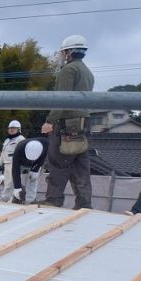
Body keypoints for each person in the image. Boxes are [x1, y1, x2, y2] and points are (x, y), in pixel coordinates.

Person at [42, 34, 95, 209]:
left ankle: (53, 200)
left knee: (58, 161)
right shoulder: (87, 72)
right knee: (81, 164)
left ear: (68, 52)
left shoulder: (69, 70)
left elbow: (62, 98)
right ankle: (84, 204)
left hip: (67, 122)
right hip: (84, 122)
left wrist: (50, 120)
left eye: (63, 52)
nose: (62, 55)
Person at [0, 119, 26, 201]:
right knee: (7, 182)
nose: (11, 130)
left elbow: (23, 153)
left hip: (15, 165)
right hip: (7, 164)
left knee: (11, 183)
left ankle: (6, 198)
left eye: (14, 128)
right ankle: (9, 199)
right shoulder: (7, 140)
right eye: (10, 128)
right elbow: (3, 153)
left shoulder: (21, 139)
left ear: (19, 129)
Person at [11, 137, 48, 204]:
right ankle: (17, 197)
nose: (31, 160)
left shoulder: (46, 144)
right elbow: (15, 169)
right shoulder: (19, 148)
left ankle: (30, 200)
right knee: (21, 180)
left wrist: (35, 170)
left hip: (37, 163)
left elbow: (43, 158)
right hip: (23, 163)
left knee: (33, 180)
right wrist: (17, 187)